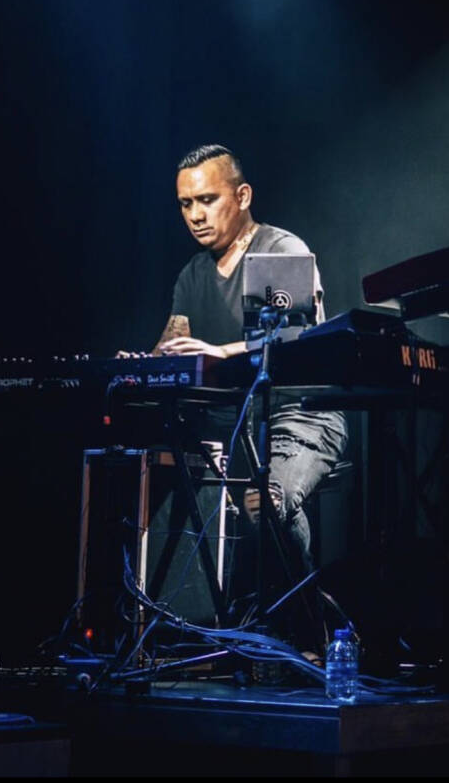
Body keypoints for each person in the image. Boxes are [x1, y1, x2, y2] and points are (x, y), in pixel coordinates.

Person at [117, 144, 347, 649]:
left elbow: (292, 342)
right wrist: (141, 366)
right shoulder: (193, 274)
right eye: (185, 204)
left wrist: (219, 351)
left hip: (299, 416)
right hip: (232, 424)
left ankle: (309, 636)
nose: (195, 215)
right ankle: (191, 635)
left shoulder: (279, 251)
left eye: (207, 199)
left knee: (266, 503)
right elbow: (172, 347)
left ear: (242, 196)